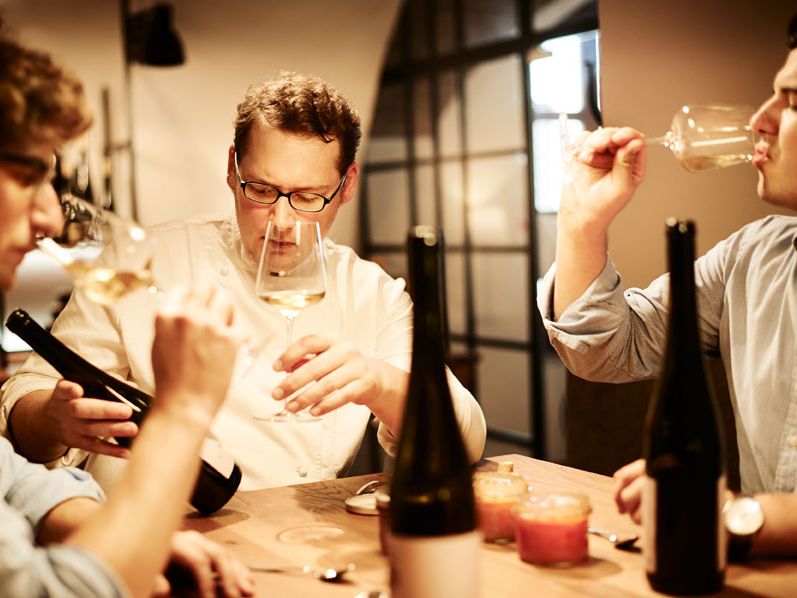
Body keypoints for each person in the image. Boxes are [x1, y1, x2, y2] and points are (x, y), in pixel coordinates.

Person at [1, 71, 486, 491]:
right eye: (262, 189)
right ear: (233, 170)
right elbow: (23, 403)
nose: (281, 219)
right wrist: (52, 416)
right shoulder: (148, 261)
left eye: (309, 196)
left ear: (347, 185)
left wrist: (380, 383)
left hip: (292, 543)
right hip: (148, 537)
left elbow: (463, 440)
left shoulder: (372, 293)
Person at [0, 23, 253, 597]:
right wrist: (184, 410)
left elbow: (10, 480)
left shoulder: (368, 283)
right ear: (233, 174)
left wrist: (127, 531)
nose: (47, 217)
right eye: (26, 175)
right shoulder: (165, 252)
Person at [537, 14, 797, 558]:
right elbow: (609, 350)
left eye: (792, 100)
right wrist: (583, 224)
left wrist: (729, 513)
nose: (761, 120)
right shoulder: (754, 256)